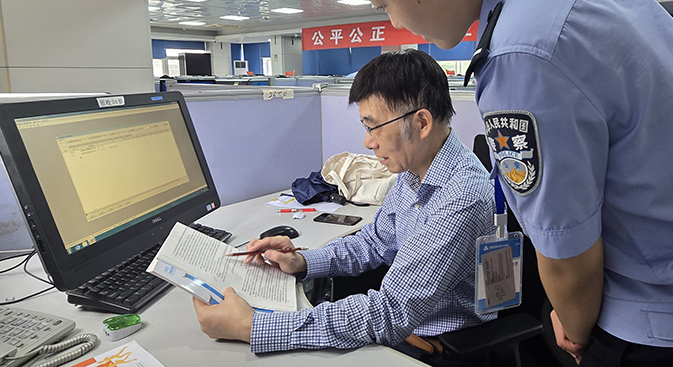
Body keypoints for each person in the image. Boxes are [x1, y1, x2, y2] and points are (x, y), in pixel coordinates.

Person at [327, 0, 673, 365]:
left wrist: (576, 328)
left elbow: (568, 258)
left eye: (385, 2)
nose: (396, 22)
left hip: (663, 319)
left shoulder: (518, 52)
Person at [193, 49, 496, 358]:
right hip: (405, 325)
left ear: (421, 123)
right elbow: (374, 242)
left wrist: (251, 327)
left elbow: (389, 314)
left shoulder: (461, 196)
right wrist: (301, 261)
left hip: (437, 344)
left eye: (374, 126)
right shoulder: (415, 170)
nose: (368, 142)